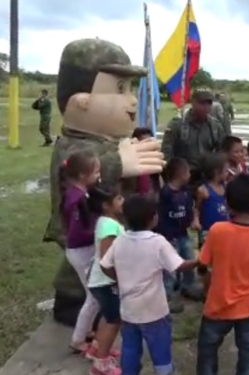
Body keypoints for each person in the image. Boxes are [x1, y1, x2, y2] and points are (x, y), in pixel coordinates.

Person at [44, 39, 165, 326]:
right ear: (80, 101)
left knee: (103, 262)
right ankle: (73, 303)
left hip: (107, 223)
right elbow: (75, 173)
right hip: (81, 226)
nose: (133, 100)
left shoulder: (110, 141)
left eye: (131, 88)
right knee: (86, 265)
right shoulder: (72, 146)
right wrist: (118, 163)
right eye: (120, 89)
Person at [100, 194, 199, 375]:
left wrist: (118, 279)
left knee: (130, 348)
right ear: (154, 218)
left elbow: (104, 265)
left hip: (129, 311)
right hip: (154, 312)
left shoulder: (120, 240)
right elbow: (180, 265)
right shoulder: (157, 242)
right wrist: (200, 261)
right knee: (160, 350)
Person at [196, 174, 249, 375]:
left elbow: (203, 264)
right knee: (248, 353)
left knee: (207, 351)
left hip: (217, 305)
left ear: (227, 202)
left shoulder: (217, 230)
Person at [60, 151, 102, 353]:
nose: (99, 175)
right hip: (81, 252)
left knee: (94, 295)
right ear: (82, 176)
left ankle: (87, 331)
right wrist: (100, 229)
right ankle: (78, 340)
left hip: (83, 250)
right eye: (96, 172)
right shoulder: (78, 200)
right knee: (94, 296)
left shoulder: (79, 194)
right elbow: (79, 233)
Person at [86, 184, 124, 375]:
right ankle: (100, 364)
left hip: (100, 281)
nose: (122, 201)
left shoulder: (105, 221)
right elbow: (105, 259)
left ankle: (96, 349)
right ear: (106, 205)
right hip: (106, 282)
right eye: (118, 199)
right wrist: (117, 279)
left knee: (107, 317)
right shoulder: (110, 226)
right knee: (114, 320)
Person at [157, 157, 203, 311]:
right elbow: (161, 215)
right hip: (170, 236)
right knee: (170, 267)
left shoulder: (186, 192)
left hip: (183, 233)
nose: (190, 175)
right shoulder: (165, 194)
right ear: (180, 174)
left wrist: (192, 221)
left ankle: (188, 286)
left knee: (189, 258)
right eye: (188, 172)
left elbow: (189, 209)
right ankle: (168, 296)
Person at [162, 87, 226, 190]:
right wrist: (172, 180)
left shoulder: (215, 126)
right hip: (182, 177)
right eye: (202, 103)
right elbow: (166, 153)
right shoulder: (177, 124)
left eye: (209, 103)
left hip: (206, 178)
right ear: (193, 102)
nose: (206, 107)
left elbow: (221, 153)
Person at [193, 153, 229, 245]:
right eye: (225, 171)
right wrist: (196, 220)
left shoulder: (226, 187)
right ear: (217, 172)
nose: (228, 173)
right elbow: (197, 208)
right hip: (208, 231)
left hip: (225, 230)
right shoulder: (203, 190)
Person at [132, 127, 161, 195]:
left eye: (150, 143)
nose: (148, 147)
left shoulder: (156, 164)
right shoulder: (130, 168)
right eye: (144, 143)